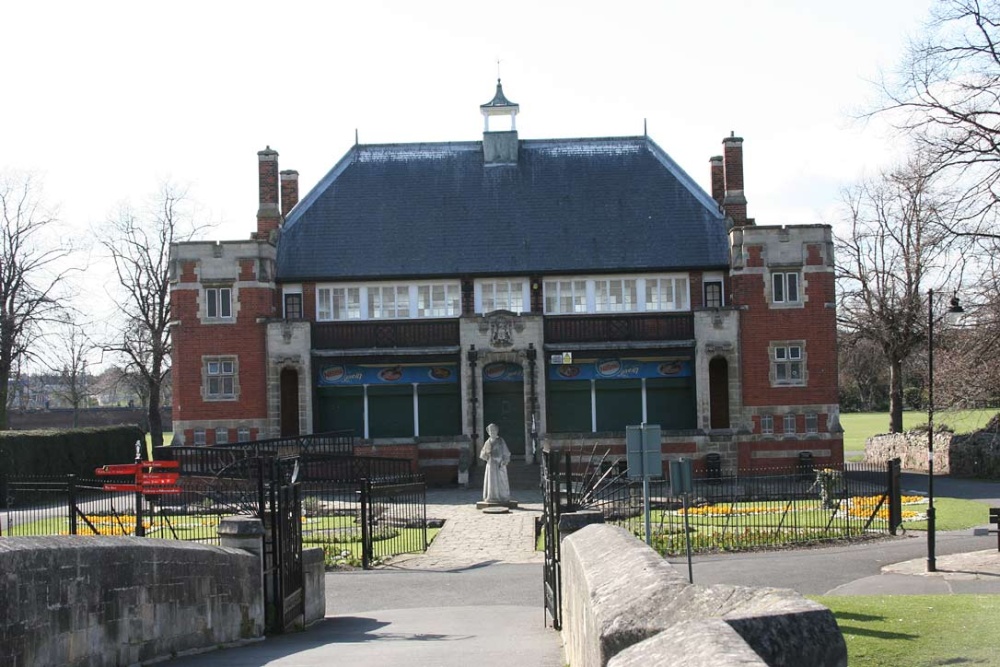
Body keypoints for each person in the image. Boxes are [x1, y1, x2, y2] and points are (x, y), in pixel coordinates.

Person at [480, 423, 511, 503]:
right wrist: (486, 455)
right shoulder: (487, 442)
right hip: (491, 464)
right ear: (488, 432)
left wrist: (504, 460)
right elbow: (483, 453)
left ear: (497, 431)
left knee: (501, 481)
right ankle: (492, 496)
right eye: (491, 430)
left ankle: (503, 496)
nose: (492, 432)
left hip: (499, 464)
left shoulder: (501, 441)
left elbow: (506, 452)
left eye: (494, 430)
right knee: (491, 481)